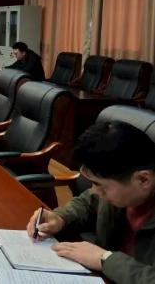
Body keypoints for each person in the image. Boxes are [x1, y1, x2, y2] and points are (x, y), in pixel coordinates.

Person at [25, 121, 155, 283]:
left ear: (143, 180)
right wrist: (60, 218)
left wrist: (105, 259)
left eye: (99, 185)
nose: (94, 191)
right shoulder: (122, 192)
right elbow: (88, 202)